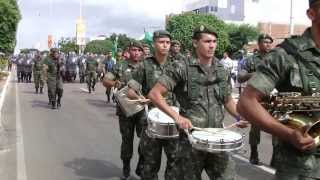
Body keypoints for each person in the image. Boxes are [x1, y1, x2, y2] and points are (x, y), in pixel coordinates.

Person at [148, 25, 247, 179]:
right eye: (207, 41)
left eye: (214, 41)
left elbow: (227, 99)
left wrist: (239, 116)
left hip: (216, 136)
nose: (212, 45)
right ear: (195, 43)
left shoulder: (221, 69)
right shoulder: (181, 67)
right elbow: (155, 94)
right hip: (191, 138)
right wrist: (177, 117)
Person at [237, 0, 320, 179]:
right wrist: (289, 134)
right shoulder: (286, 54)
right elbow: (246, 103)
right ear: (312, 14)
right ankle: (253, 152)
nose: (266, 44)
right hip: (302, 167)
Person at [127, 30, 180, 180]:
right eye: (161, 42)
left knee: (175, 162)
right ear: (154, 44)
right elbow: (131, 91)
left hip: (173, 118)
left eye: (168, 42)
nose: (165, 45)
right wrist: (141, 97)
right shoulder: (144, 65)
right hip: (151, 119)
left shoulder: (178, 64)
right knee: (150, 164)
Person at [103, 41, 144, 180]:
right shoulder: (120, 65)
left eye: (139, 50)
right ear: (129, 51)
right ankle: (126, 166)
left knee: (146, 139)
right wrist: (115, 83)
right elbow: (105, 80)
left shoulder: (146, 66)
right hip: (125, 109)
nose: (136, 53)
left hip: (142, 109)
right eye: (134, 50)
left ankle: (142, 163)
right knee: (127, 140)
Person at [237, 33, 273, 165]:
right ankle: (254, 152)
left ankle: (276, 157)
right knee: (256, 127)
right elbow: (240, 77)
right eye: (265, 42)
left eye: (270, 42)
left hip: (274, 99)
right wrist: (255, 74)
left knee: (278, 127)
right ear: (259, 44)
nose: (268, 44)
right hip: (257, 99)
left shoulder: (276, 59)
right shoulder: (250, 60)